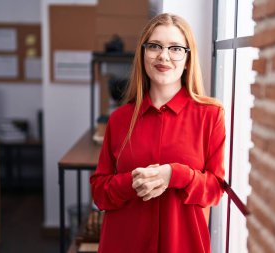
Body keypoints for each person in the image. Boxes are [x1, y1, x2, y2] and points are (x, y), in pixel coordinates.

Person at [90, 13, 226, 253]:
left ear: (187, 59)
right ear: (143, 54)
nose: (164, 56)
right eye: (154, 46)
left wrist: (175, 174)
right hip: (123, 245)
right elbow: (100, 194)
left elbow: (215, 189)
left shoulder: (211, 115)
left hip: (184, 246)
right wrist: (133, 182)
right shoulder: (120, 119)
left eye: (175, 48)